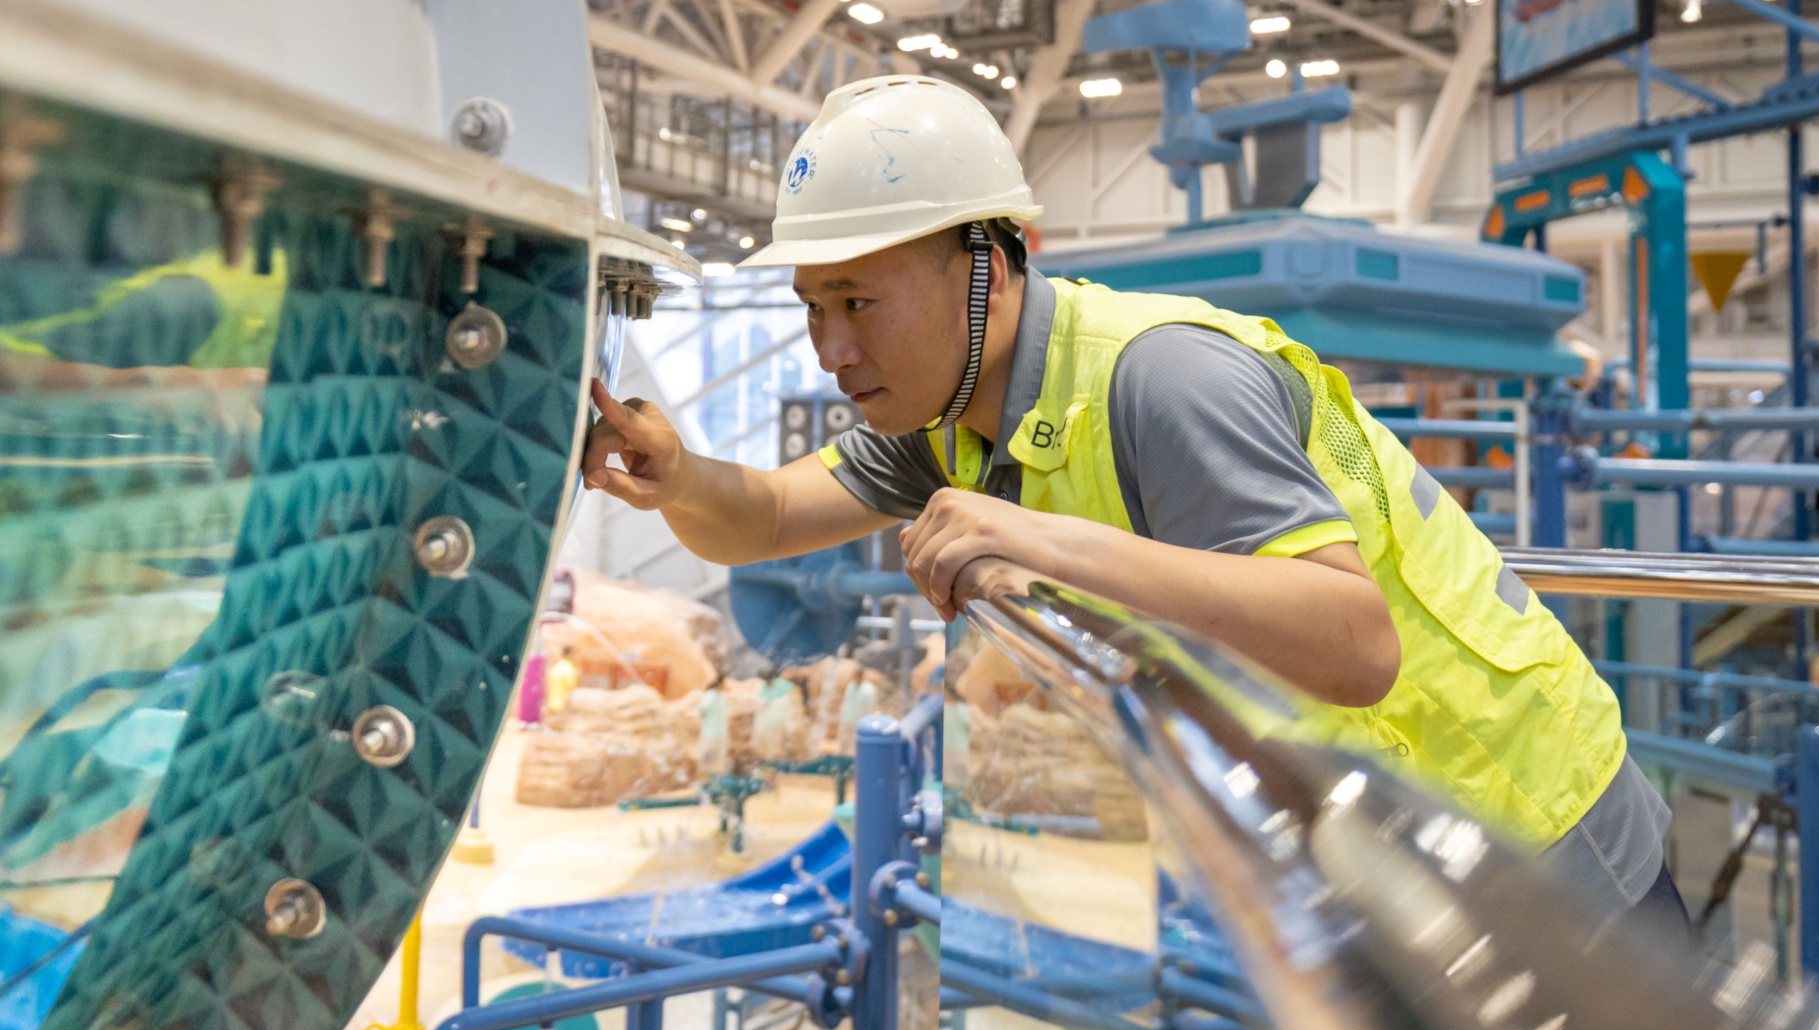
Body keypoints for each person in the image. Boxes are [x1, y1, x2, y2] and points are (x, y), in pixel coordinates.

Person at [582, 74, 1680, 931]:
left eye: (859, 300)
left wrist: (1050, 545)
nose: (831, 349)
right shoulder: (945, 421)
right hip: (1374, 842)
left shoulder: (1163, 378)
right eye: (814, 307)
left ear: (990, 271)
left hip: (1524, 813)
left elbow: (1354, 643)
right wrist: (675, 477)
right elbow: (769, 517)